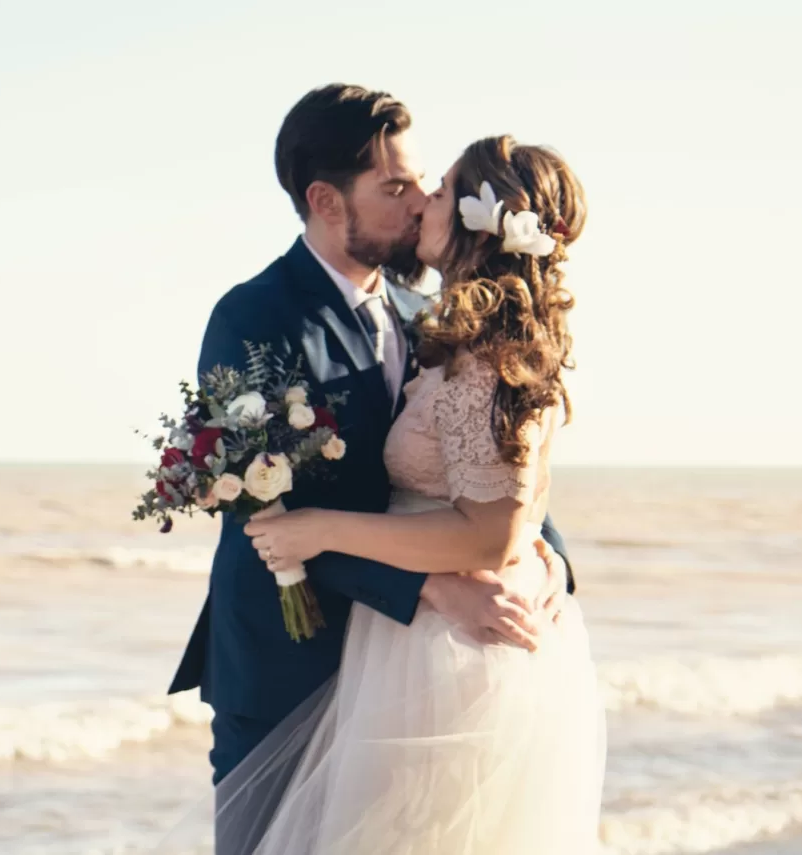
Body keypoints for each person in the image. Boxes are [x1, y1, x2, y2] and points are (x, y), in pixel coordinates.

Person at [167, 83, 579, 851]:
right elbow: (263, 518)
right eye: (394, 189)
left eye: (421, 180)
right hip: (291, 661)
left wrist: (544, 554)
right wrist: (429, 586)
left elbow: (486, 453)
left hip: (414, 679)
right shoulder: (254, 318)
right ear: (326, 201)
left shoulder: (431, 315)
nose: (421, 201)